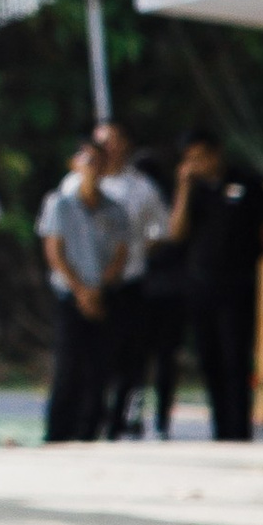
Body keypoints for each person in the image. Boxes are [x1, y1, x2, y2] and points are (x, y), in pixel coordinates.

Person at [170, 132, 263, 444]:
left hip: (238, 286)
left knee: (236, 359)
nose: (197, 164)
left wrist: (246, 260)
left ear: (216, 153)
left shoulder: (248, 183)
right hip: (201, 286)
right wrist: (184, 189)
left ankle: (239, 430)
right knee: (209, 358)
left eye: (201, 156)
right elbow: (175, 233)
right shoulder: (194, 191)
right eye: (190, 158)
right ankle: (220, 430)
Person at [78, 118, 170, 436]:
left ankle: (119, 420)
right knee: (87, 358)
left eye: (114, 141)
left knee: (127, 356)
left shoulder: (142, 188)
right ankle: (87, 420)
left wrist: (135, 252)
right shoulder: (75, 183)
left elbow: (161, 230)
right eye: (102, 142)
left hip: (127, 283)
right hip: (86, 284)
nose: (108, 149)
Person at [39, 137, 134, 442]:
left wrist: (99, 289)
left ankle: (90, 432)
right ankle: (57, 434)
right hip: (70, 296)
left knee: (99, 368)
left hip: (104, 296)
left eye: (99, 162)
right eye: (87, 160)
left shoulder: (116, 210)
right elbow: (55, 251)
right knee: (68, 366)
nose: (93, 168)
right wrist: (81, 290)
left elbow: (120, 254)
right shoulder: (60, 205)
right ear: (75, 165)